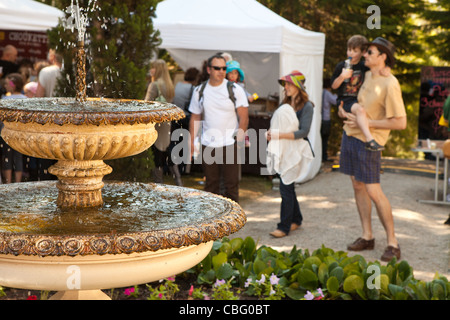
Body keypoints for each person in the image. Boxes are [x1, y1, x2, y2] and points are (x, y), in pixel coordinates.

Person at [338, 37, 407, 262]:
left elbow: (400, 122)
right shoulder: (364, 75)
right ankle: (367, 236)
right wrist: (344, 112)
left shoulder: (391, 83)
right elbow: (348, 97)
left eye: (370, 52)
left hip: (370, 143)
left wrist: (366, 124)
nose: (365, 55)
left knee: (374, 191)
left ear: (383, 57)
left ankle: (392, 243)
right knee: (357, 186)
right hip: (350, 136)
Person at [188, 54, 249, 203]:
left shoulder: (235, 90)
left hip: (230, 144)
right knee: (211, 187)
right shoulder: (199, 91)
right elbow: (195, 117)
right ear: (209, 70)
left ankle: (233, 225)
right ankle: (211, 223)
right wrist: (191, 141)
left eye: (224, 68)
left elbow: (244, 116)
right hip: (208, 144)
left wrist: (238, 139)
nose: (221, 71)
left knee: (231, 187)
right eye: (217, 68)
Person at [265, 70, 314, 238]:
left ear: (298, 86)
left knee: (285, 187)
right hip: (285, 151)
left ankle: (284, 227)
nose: (285, 87)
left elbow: (303, 132)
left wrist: (279, 135)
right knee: (288, 186)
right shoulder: (283, 105)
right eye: (285, 84)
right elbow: (277, 124)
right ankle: (297, 219)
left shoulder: (307, 107)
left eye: (288, 84)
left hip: (297, 152)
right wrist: (270, 133)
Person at [331, 35, 386, 152]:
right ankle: (370, 140)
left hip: (359, 99)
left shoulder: (363, 66)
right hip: (345, 100)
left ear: (362, 53)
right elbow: (334, 86)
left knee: (363, 113)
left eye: (355, 51)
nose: (350, 53)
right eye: (349, 50)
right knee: (360, 111)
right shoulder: (341, 66)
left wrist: (385, 69)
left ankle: (365, 140)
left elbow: (375, 70)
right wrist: (342, 76)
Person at [145, 59, 183, 186]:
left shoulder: (154, 85)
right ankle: (178, 180)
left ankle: (158, 183)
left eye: (153, 67)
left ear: (158, 69)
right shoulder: (169, 84)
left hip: (156, 123)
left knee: (157, 153)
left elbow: (146, 103)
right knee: (168, 151)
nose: (151, 70)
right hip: (167, 122)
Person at [0, 73, 27, 183]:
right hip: (20, 132)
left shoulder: (5, 99)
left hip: (6, 132)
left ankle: (8, 182)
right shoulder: (25, 99)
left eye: (7, 84)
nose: (5, 86)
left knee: (7, 156)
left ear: (13, 85)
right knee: (18, 157)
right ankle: (18, 182)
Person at [321, 79, 337, 162]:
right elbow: (335, 101)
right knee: (325, 139)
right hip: (325, 119)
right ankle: (324, 156)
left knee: (321, 138)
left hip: (320, 119)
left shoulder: (320, 92)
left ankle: (321, 156)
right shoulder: (327, 93)